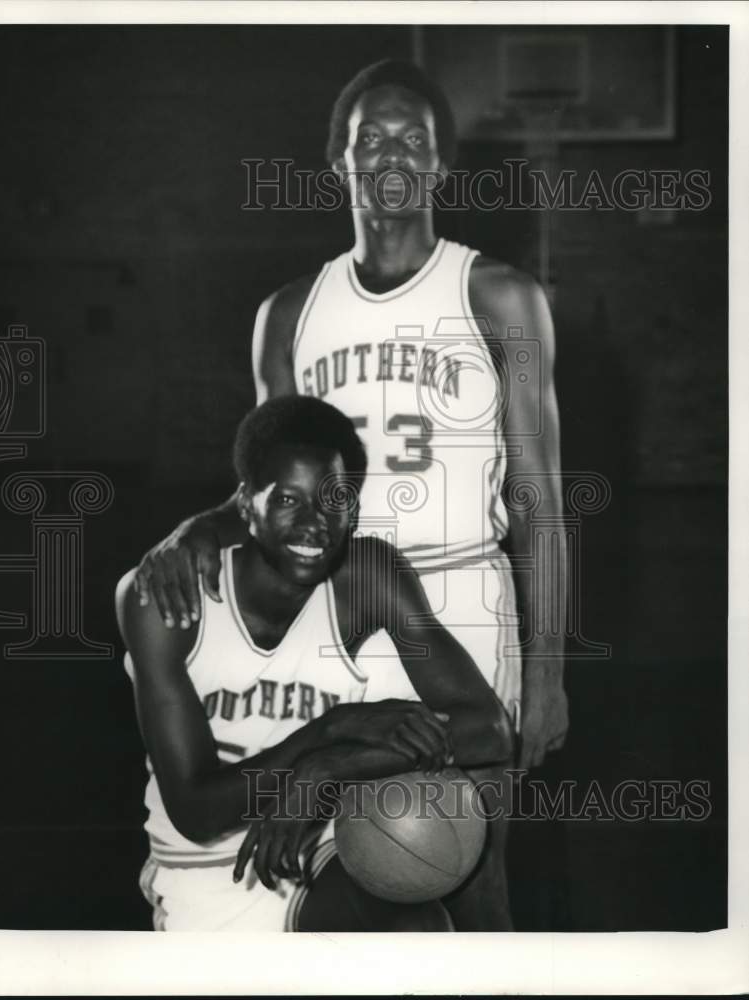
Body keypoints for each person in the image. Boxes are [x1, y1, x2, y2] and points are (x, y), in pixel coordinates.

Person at [133, 59, 567, 930]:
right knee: (346, 863)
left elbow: (540, 498)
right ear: (339, 159)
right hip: (340, 602)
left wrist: (550, 669)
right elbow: (261, 482)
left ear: (442, 164)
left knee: (464, 865)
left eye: (413, 138)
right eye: (371, 137)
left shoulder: (500, 297)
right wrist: (188, 531)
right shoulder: (289, 315)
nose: (391, 153)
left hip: (462, 600)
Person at [116, 396, 512, 931]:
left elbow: (487, 731)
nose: (313, 524)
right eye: (287, 500)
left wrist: (328, 770)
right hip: (205, 870)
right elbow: (197, 810)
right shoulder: (167, 603)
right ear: (244, 505)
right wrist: (328, 733)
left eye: (334, 499)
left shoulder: (367, 578)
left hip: (319, 854)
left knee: (418, 932)